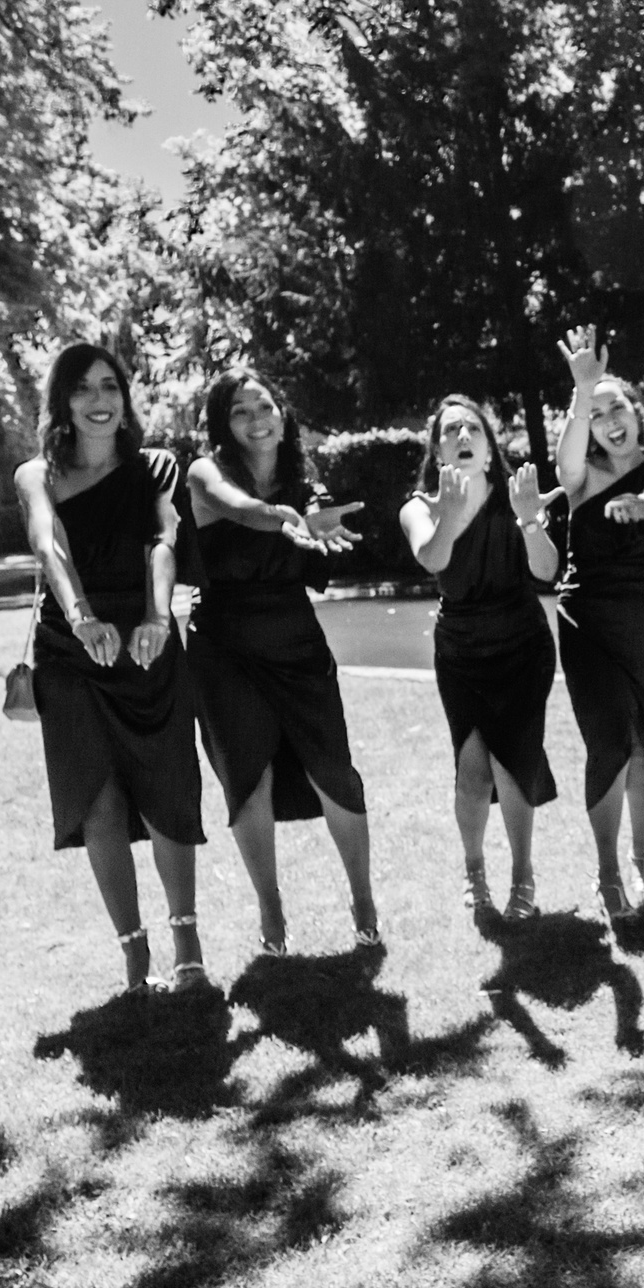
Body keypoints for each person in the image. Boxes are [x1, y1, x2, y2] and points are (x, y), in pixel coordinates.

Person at [14, 343, 206, 994]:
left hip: (147, 644)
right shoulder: (35, 474)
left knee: (167, 795)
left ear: (124, 399)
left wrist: (156, 619)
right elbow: (49, 540)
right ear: (61, 402)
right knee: (98, 806)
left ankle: (188, 943)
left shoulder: (156, 466)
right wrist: (80, 615)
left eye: (110, 387)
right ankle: (133, 953)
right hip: (72, 651)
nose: (99, 401)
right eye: (83, 389)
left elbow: (161, 540)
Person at [182, 367, 380, 954]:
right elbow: (238, 508)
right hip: (223, 644)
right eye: (240, 412)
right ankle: (272, 916)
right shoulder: (204, 473)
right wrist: (285, 519)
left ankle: (363, 900)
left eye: (263, 406)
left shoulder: (301, 477)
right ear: (223, 425)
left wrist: (314, 517)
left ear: (282, 412)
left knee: (333, 770)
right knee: (248, 777)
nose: (256, 419)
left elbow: (316, 519)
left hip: (294, 640)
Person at [399, 395, 561, 920]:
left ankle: (523, 876)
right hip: (462, 649)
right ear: (437, 449)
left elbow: (546, 572)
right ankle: (474, 871)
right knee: (472, 771)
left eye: (473, 428)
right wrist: (449, 515)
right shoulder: (420, 507)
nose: (463, 435)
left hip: (522, 645)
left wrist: (531, 522)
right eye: (451, 430)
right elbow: (434, 560)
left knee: (513, 763)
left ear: (490, 450)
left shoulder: (518, 498)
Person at [550, 328, 644, 919]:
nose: (609, 420)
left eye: (618, 408)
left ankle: (640, 853)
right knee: (608, 741)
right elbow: (565, 460)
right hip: (588, 623)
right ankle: (607, 871)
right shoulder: (581, 477)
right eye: (597, 412)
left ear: (638, 416)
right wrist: (582, 391)